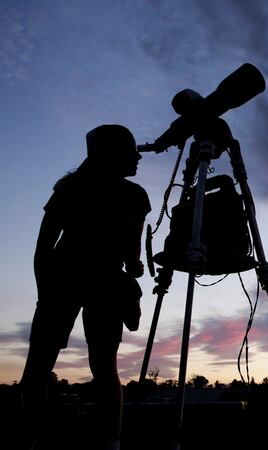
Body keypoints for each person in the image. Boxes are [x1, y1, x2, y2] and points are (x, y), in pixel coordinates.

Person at [21, 124, 150, 450]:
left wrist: (46, 295)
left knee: (51, 366)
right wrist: (45, 294)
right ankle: (50, 439)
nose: (138, 156)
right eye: (130, 149)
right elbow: (44, 248)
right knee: (65, 368)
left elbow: (44, 249)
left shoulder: (119, 193)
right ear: (109, 154)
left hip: (85, 282)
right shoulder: (80, 190)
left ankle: (38, 438)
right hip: (74, 282)